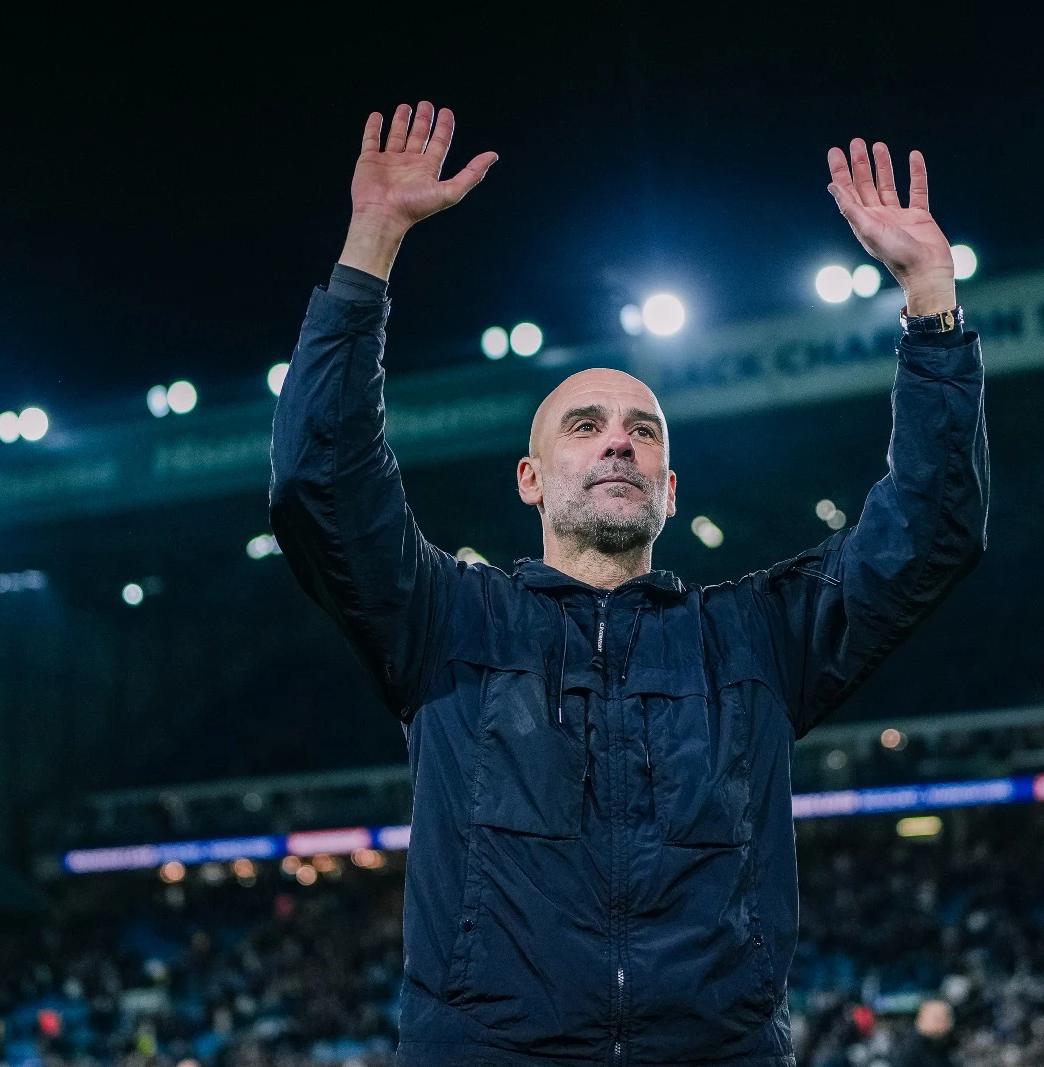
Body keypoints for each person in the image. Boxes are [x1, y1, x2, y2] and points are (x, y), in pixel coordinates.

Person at [269, 101, 990, 1067]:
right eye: (586, 424)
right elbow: (321, 485)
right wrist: (373, 244)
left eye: (644, 430)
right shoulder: (447, 619)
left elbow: (931, 530)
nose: (619, 438)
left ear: (670, 487)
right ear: (530, 479)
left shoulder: (754, 637)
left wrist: (932, 306)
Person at [895, 999, 955, 1067]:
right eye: (937, 1018)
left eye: (946, 1018)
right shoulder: (909, 1049)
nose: (945, 1022)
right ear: (921, 1019)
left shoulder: (948, 1044)